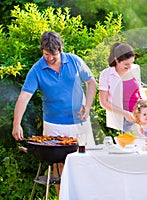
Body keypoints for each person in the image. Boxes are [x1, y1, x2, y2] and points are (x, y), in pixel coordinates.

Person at [11, 31, 97, 194]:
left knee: (86, 164)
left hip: (80, 123)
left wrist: (88, 107)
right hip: (54, 126)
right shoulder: (37, 69)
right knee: (59, 167)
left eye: (54, 55)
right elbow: (24, 97)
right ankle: (62, 197)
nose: (49, 58)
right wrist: (17, 123)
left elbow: (92, 83)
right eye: (46, 54)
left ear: (61, 50)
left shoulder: (75, 61)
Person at [99, 42, 147, 133]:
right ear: (116, 60)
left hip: (143, 115)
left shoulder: (135, 69)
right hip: (125, 119)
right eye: (126, 64)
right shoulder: (106, 74)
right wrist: (125, 113)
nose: (130, 66)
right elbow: (103, 102)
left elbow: (138, 94)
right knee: (131, 144)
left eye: (132, 62)